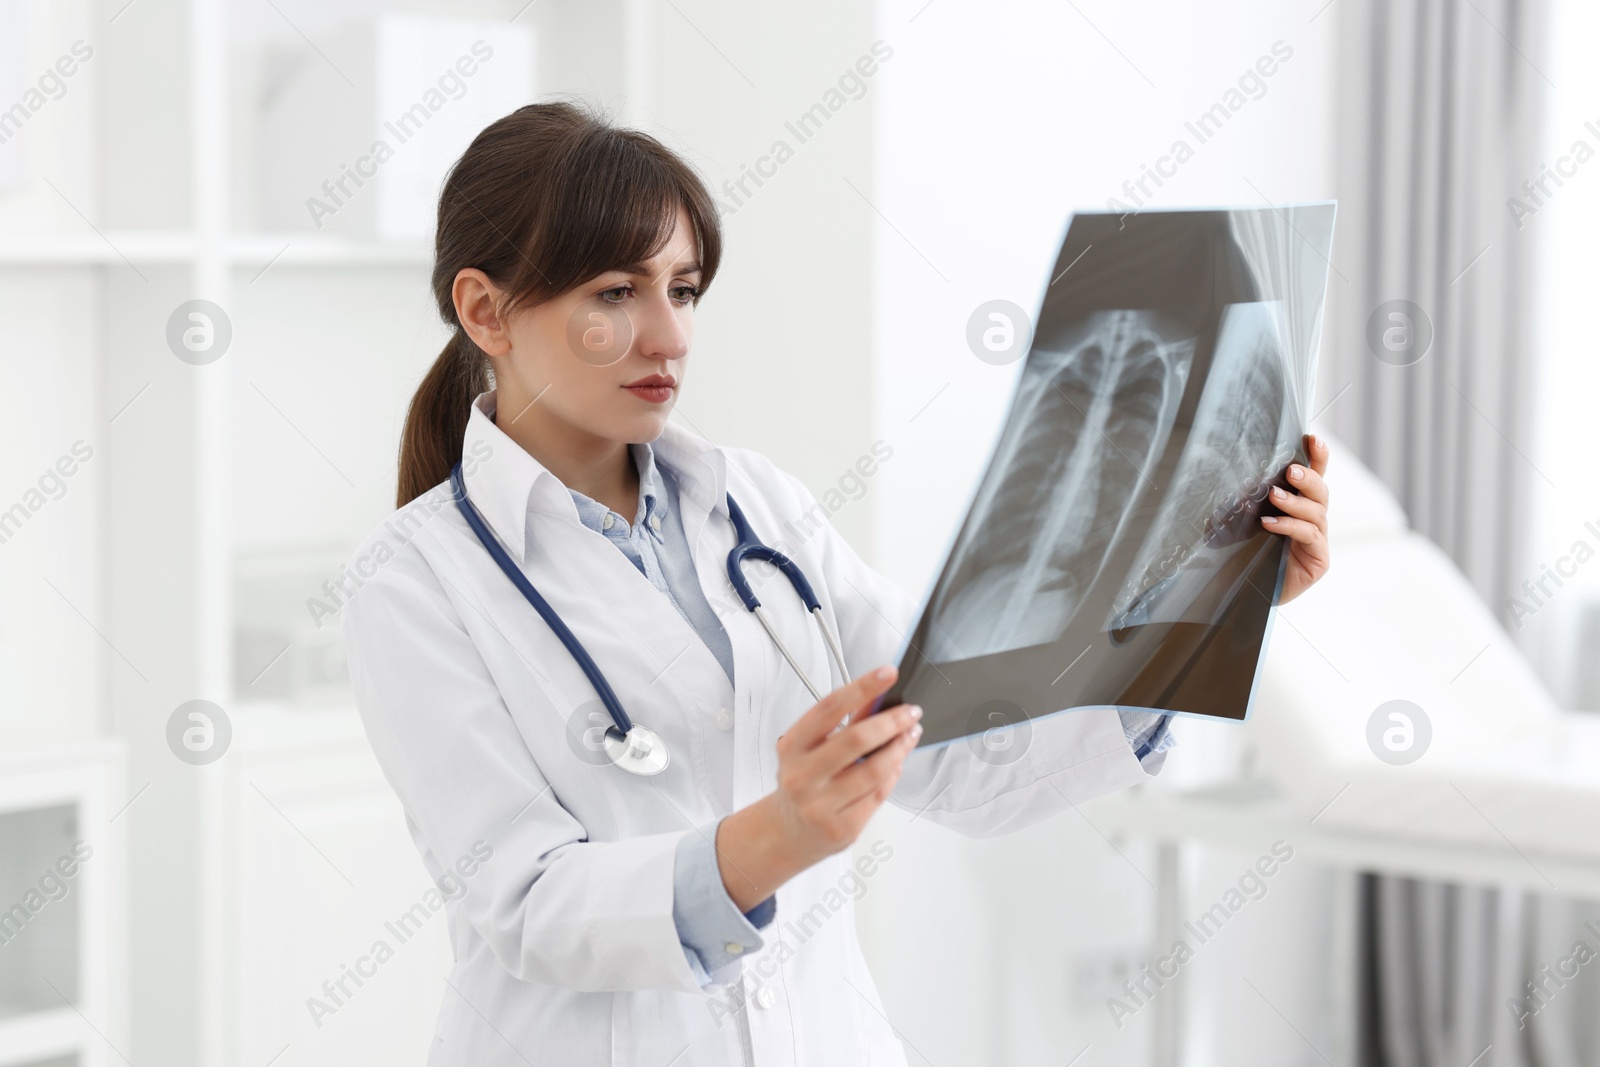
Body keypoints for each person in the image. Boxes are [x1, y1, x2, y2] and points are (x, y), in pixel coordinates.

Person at [341, 100, 1333, 1067]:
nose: (670, 336)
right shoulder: (414, 582)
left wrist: (1213, 601)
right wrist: (777, 835)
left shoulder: (756, 507)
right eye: (614, 293)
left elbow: (953, 748)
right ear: (486, 309)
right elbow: (525, 902)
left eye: (682, 289)